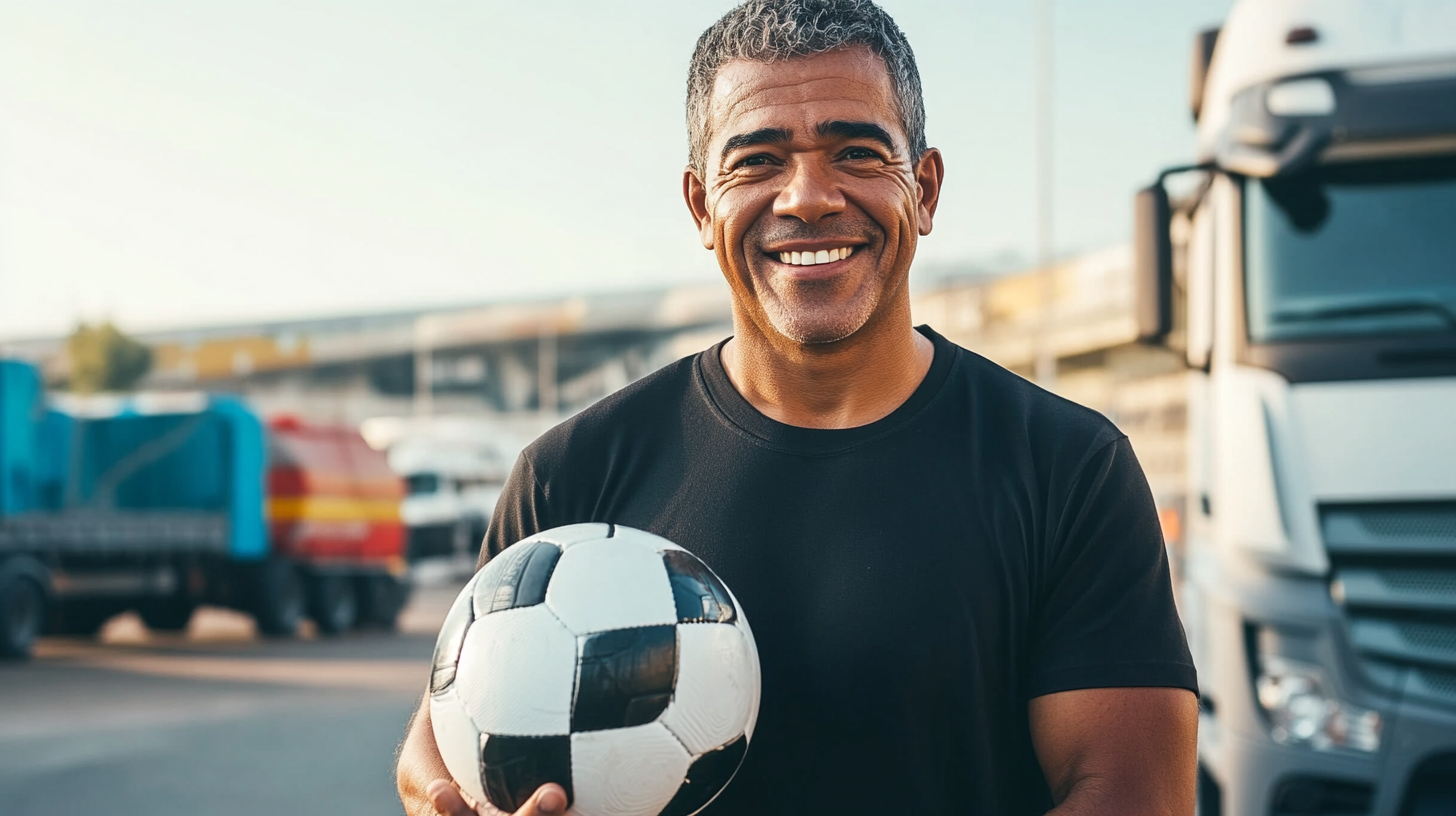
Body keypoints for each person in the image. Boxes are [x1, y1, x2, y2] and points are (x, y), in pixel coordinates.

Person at [397, 1, 1198, 813]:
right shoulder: (572, 474)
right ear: (702, 207)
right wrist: (440, 796)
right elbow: (447, 723)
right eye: (758, 161)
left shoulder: (1067, 469)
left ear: (923, 190)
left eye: (856, 151)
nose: (808, 197)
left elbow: (1135, 795)